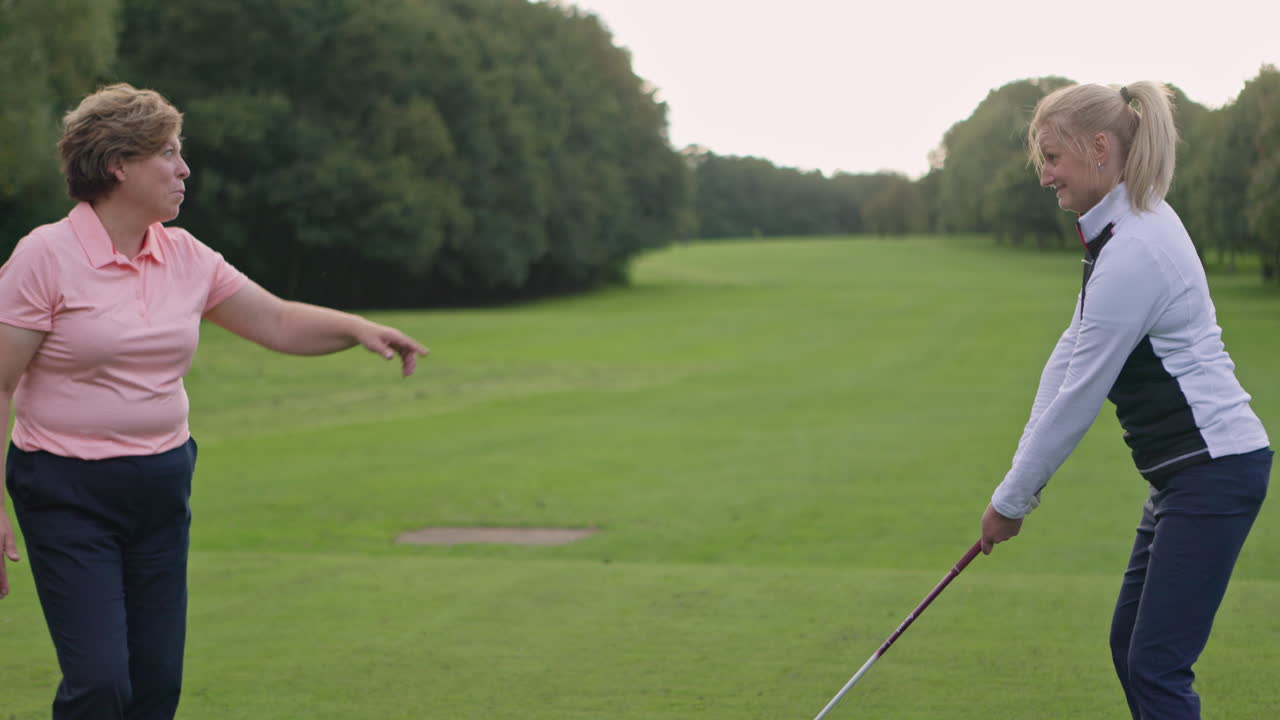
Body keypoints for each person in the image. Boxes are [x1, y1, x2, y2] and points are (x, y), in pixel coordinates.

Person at [0, 83, 429, 719]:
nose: (184, 169)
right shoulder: (46, 256)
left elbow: (277, 321)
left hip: (160, 486)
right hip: (66, 490)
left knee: (155, 687)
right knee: (100, 685)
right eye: (168, 154)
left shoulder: (185, 255)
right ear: (120, 164)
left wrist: (358, 329)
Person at [977, 80, 1271, 719]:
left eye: (1053, 157)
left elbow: (1082, 394)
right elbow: (1068, 354)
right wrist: (1014, 481)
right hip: (1186, 476)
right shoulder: (1122, 229)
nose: (1044, 175)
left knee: (1157, 667)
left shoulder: (1135, 246)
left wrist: (1012, 502)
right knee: (1131, 649)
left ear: (1100, 148)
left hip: (1213, 470)